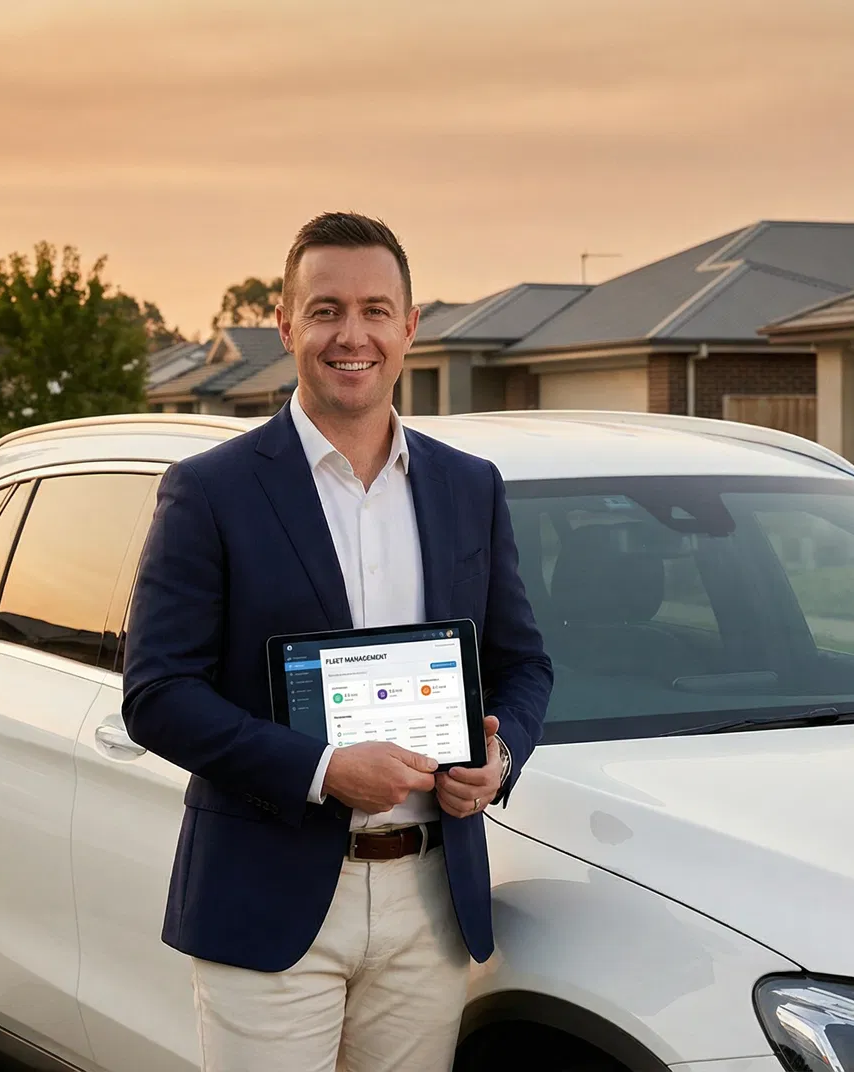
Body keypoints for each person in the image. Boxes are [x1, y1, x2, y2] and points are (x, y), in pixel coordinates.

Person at [121, 211, 553, 1072]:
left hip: (430, 897)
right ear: (284, 326)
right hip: (269, 896)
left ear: (409, 327)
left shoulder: (470, 486)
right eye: (324, 311)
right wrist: (321, 772)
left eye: (373, 310)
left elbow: (523, 664)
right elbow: (157, 693)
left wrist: (498, 760)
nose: (350, 335)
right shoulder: (210, 491)